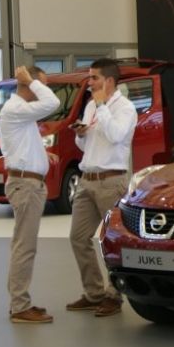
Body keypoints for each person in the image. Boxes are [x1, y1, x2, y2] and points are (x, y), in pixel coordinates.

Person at [67, 59, 136, 316]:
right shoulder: (90, 107)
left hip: (111, 180)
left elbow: (116, 135)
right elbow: (87, 146)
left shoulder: (125, 108)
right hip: (87, 180)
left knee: (112, 240)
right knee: (77, 237)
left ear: (108, 81)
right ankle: (94, 292)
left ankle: (113, 295)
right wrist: (81, 134)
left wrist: (101, 106)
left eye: (94, 77)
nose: (90, 82)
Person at [0, 65, 61, 323]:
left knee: (24, 245)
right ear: (26, 84)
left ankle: (19, 303)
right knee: (25, 247)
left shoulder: (20, 114)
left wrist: (41, 155)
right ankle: (20, 306)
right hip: (25, 186)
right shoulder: (16, 109)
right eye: (40, 85)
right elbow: (53, 103)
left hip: (28, 184)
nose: (43, 90)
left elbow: (20, 144)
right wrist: (30, 81)